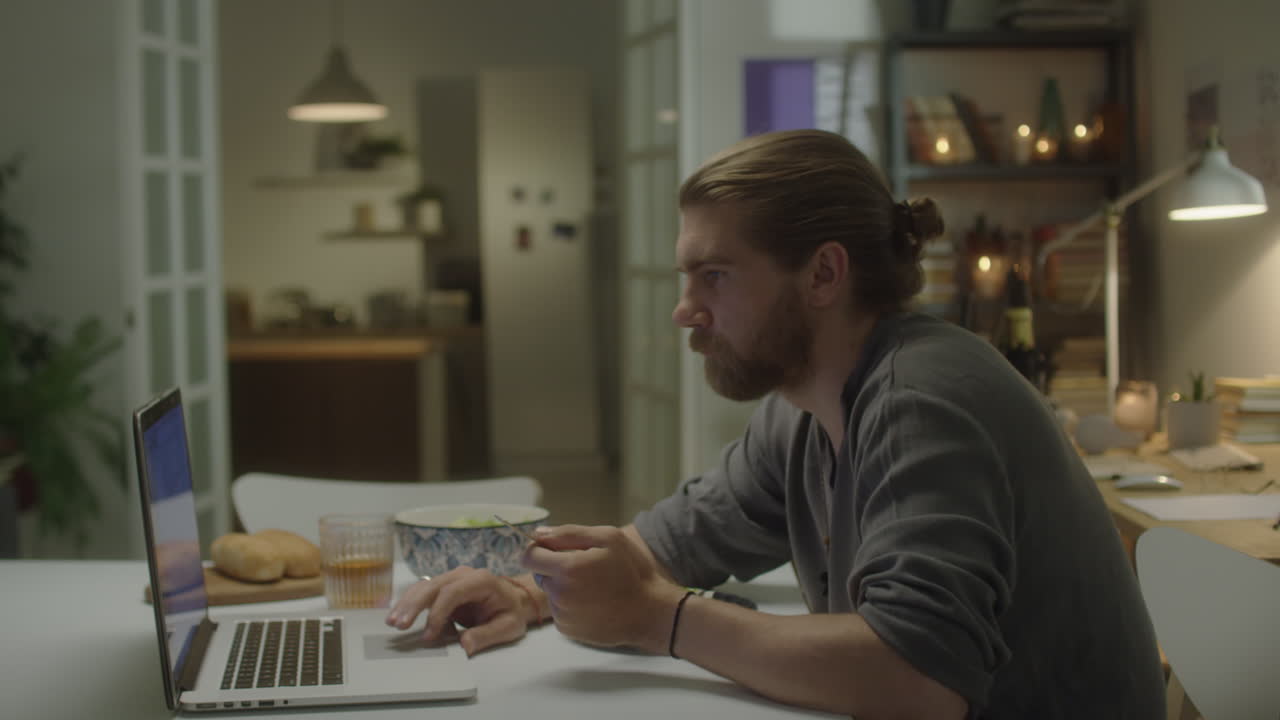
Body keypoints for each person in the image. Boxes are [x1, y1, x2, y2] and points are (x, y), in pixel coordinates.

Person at [386, 129, 1166, 718]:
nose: (684, 310)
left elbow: (919, 678)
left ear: (824, 273)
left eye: (715, 276)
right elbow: (671, 543)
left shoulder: (921, 399)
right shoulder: (800, 412)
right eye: (687, 276)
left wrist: (660, 619)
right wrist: (526, 593)